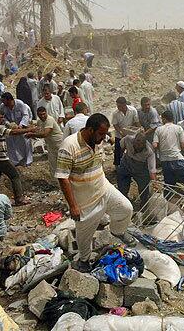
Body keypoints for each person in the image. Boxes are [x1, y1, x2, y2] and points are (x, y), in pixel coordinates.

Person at [56, 113, 136, 272]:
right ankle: (84, 260)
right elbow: (62, 178)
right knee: (84, 236)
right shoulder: (69, 146)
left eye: (104, 134)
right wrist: (73, 206)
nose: (103, 138)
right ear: (90, 130)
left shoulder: (98, 138)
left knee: (126, 208)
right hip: (84, 199)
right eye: (101, 134)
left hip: (103, 187)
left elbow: (109, 136)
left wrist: (111, 136)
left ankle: (117, 231)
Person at [153, 111, 184, 204]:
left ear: (164, 119)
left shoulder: (158, 129)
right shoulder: (178, 128)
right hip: (177, 159)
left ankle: (166, 204)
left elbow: (155, 145)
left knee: (169, 184)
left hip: (165, 161)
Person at [0, 110, 31, 206]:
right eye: (1, 117)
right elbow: (13, 132)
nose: (3, 119)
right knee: (15, 176)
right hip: (0, 158)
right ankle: (19, 199)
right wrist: (29, 130)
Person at [117, 131, 156, 208]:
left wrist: (155, 183)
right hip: (126, 164)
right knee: (122, 186)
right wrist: (117, 162)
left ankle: (144, 205)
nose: (138, 146)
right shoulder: (128, 139)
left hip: (140, 169)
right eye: (136, 144)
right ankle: (124, 203)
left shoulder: (149, 152)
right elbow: (119, 147)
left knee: (144, 188)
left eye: (140, 145)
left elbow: (152, 170)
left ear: (144, 144)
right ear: (133, 141)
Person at [26, 107, 63, 186]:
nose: (42, 116)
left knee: (61, 163)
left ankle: (65, 181)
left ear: (46, 113)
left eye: (44, 114)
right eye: (40, 115)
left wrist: (31, 134)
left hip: (58, 144)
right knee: (52, 164)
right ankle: (55, 183)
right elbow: (38, 130)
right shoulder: (40, 121)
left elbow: (45, 134)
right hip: (50, 145)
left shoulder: (49, 119)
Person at [0, 92, 33, 167]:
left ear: (10, 100)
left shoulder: (20, 104)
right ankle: (15, 161)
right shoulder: (3, 106)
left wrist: (21, 125)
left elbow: (25, 115)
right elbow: (3, 117)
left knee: (26, 142)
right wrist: (8, 123)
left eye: (4, 101)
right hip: (11, 127)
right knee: (11, 143)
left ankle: (28, 160)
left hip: (22, 126)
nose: (3, 103)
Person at [112, 97, 140, 167]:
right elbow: (115, 124)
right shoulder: (115, 113)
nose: (118, 108)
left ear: (124, 105)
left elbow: (136, 122)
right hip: (119, 135)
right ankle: (117, 167)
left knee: (132, 150)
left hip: (130, 134)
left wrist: (138, 130)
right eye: (117, 106)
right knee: (118, 151)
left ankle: (132, 165)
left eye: (120, 106)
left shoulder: (133, 110)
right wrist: (121, 132)